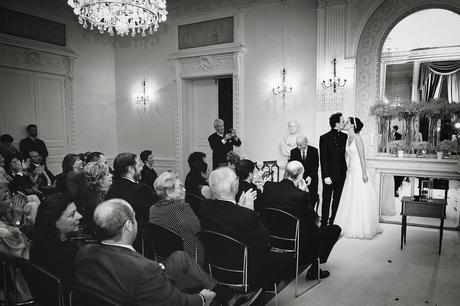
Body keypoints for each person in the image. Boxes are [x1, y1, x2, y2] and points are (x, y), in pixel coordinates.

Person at [74, 198, 261, 306]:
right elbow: (177, 303)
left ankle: (226, 294)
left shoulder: (85, 251)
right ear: (129, 225)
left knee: (180, 257)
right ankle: (221, 296)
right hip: (153, 292)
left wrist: (156, 268)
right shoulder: (145, 270)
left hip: (132, 285)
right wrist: (202, 298)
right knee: (205, 294)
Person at [198, 167, 293, 290]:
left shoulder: (204, 207)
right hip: (244, 272)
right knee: (287, 259)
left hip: (215, 267)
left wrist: (239, 207)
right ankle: (260, 293)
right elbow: (266, 241)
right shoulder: (246, 215)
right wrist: (248, 211)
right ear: (234, 186)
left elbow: (226, 220)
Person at [263, 161, 341, 280]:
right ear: (300, 176)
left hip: (273, 239)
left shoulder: (268, 187)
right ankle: (315, 268)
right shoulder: (301, 195)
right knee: (334, 229)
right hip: (297, 244)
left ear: (286, 173)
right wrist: (306, 193)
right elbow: (314, 219)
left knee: (308, 227)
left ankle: (290, 266)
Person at [333, 117, 383, 239]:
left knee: (359, 198)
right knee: (349, 198)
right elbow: (346, 156)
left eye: (347, 122)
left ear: (352, 126)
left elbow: (362, 157)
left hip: (358, 171)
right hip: (350, 172)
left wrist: (364, 173)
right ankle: (346, 225)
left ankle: (363, 227)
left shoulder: (358, 139)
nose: (345, 124)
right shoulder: (347, 138)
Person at [30, 193, 83, 292]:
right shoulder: (65, 254)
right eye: (72, 214)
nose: (80, 216)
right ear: (54, 222)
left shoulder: (39, 243)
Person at [105, 152, 156, 251]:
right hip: (137, 241)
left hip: (114, 238)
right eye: (139, 165)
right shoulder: (141, 189)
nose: (141, 168)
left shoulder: (112, 188)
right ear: (131, 169)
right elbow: (153, 213)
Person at [150, 172, 203, 264]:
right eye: (180, 187)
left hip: (163, 256)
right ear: (169, 193)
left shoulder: (153, 209)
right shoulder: (181, 208)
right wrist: (183, 201)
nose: (184, 190)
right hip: (187, 256)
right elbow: (197, 229)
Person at [319, 112, 347, 227]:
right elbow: (323, 158)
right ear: (336, 123)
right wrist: (325, 176)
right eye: (342, 121)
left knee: (337, 200)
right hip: (329, 175)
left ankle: (333, 222)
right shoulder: (324, 138)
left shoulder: (345, 136)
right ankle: (324, 223)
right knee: (326, 200)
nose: (344, 123)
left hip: (341, 174)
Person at [76, 161, 112, 230]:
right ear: (100, 179)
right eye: (107, 174)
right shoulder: (95, 200)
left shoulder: (93, 193)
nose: (111, 175)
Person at [289, 136, 319, 209]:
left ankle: (311, 215)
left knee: (312, 197)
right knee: (299, 198)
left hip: (312, 178)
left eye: (300, 145)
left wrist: (310, 176)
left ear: (306, 142)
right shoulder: (293, 152)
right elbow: (293, 167)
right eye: (297, 145)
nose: (298, 147)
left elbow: (315, 165)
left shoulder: (314, 150)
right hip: (298, 179)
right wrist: (299, 178)